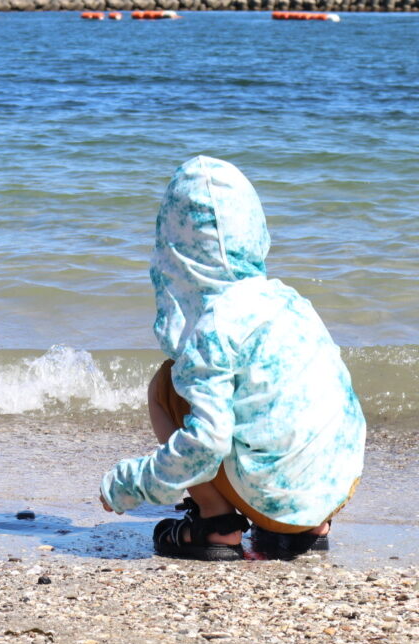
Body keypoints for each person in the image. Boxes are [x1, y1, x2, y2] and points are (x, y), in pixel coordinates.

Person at [99, 156, 365, 561]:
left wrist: (129, 484)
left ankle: (216, 523)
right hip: (338, 486)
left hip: (273, 498)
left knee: (166, 384)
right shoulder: (290, 301)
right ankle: (311, 526)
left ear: (175, 249)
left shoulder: (216, 323)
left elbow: (207, 442)